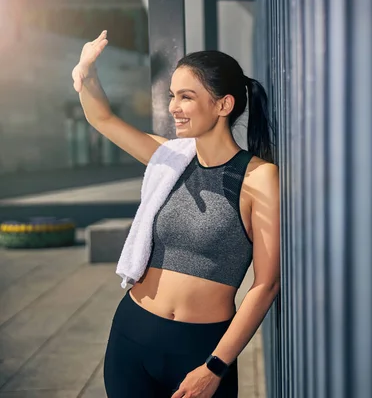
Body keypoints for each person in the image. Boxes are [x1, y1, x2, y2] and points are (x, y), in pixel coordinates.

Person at [72, 30, 280, 398]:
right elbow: (102, 118)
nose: (173, 107)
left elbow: (266, 284)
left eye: (186, 96)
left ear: (223, 105)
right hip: (131, 337)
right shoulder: (170, 158)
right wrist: (87, 74)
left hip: (200, 351)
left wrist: (215, 367)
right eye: (172, 96)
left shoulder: (259, 178)